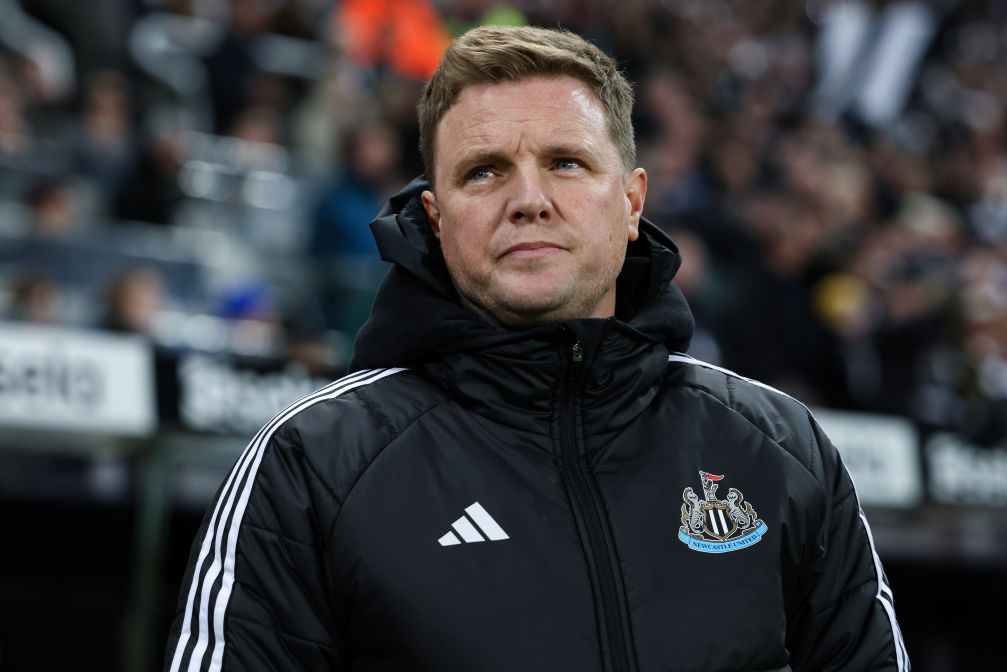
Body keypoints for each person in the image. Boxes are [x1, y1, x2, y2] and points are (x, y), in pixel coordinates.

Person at [165, 25, 910, 671]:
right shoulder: (312, 466)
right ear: (434, 216)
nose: (528, 198)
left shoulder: (780, 451)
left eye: (566, 162)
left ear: (632, 202)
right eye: (484, 171)